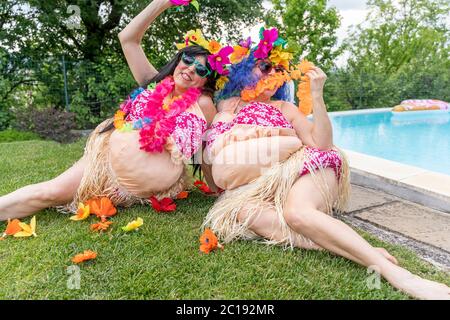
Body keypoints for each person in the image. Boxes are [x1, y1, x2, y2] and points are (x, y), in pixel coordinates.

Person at [202, 27, 450, 300]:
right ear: (245, 67)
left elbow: (320, 142)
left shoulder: (286, 109)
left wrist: (317, 95)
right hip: (260, 183)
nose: (273, 74)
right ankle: (345, 247)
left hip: (304, 164)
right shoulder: (227, 107)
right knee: (244, 213)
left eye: (279, 69)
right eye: (265, 66)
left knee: (297, 214)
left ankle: (401, 277)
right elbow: (215, 148)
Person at [0, 0, 221, 220]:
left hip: (138, 186)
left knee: (52, 194)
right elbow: (128, 39)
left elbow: (205, 150)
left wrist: (217, 190)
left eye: (201, 69)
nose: (191, 68)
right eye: (189, 59)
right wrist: (162, 3)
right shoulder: (152, 81)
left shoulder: (203, 106)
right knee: (49, 192)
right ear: (178, 60)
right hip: (104, 163)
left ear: (206, 81)